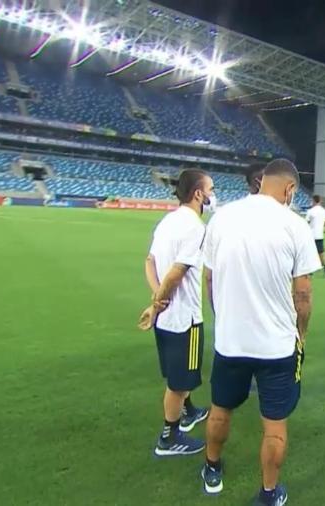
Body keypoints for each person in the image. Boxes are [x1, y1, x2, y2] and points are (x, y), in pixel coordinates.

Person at [200, 159, 321, 505]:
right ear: (290, 189)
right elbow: (304, 295)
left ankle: (212, 468)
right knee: (274, 424)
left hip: (231, 340)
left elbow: (209, 278)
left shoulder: (222, 217)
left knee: (221, 409)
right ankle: (269, 494)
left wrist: (220, 315)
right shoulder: (294, 225)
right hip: (278, 346)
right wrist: (302, 334)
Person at [138, 169, 215, 457]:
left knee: (177, 373)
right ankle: (168, 438)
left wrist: (157, 300)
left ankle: (189, 412)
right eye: (211, 189)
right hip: (185, 319)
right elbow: (177, 273)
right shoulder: (195, 227)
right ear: (198, 194)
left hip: (166, 319)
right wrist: (157, 303)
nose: (212, 195)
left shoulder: (167, 221)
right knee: (179, 384)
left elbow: (150, 261)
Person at [306, 195, 325, 278]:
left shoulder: (310, 211)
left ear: (313, 201)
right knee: (321, 252)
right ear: (320, 201)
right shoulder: (324, 211)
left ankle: (310, 270)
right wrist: (324, 228)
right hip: (320, 235)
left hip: (311, 235)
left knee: (309, 252)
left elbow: (307, 222)